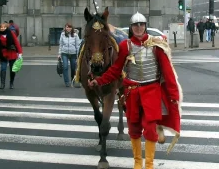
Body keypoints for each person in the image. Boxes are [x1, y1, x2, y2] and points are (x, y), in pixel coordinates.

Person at [88, 12, 182, 169]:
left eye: (141, 25)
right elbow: (115, 70)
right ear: (131, 28)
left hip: (152, 91)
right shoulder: (125, 46)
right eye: (135, 25)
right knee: (134, 129)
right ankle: (138, 163)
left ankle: (149, 165)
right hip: (132, 93)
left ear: (145, 27)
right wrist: (99, 81)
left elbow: (168, 72)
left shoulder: (156, 45)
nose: (138, 28)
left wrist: (174, 95)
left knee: (151, 129)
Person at [0, 22, 23, 89]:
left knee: (12, 69)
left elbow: (16, 42)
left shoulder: (11, 33)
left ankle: (11, 83)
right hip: (3, 53)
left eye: (4, 27)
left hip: (11, 52)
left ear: (6, 27)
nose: (3, 28)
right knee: (3, 69)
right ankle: (2, 84)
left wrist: (19, 53)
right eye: (1, 27)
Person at [58, 23, 80, 87]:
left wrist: (78, 55)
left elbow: (77, 46)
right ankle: (67, 82)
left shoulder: (75, 35)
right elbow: (61, 45)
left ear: (72, 28)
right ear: (65, 28)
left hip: (73, 54)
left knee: (73, 68)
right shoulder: (62, 34)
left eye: (70, 27)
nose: (68, 28)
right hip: (64, 53)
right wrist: (59, 54)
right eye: (67, 27)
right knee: (65, 67)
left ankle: (72, 80)